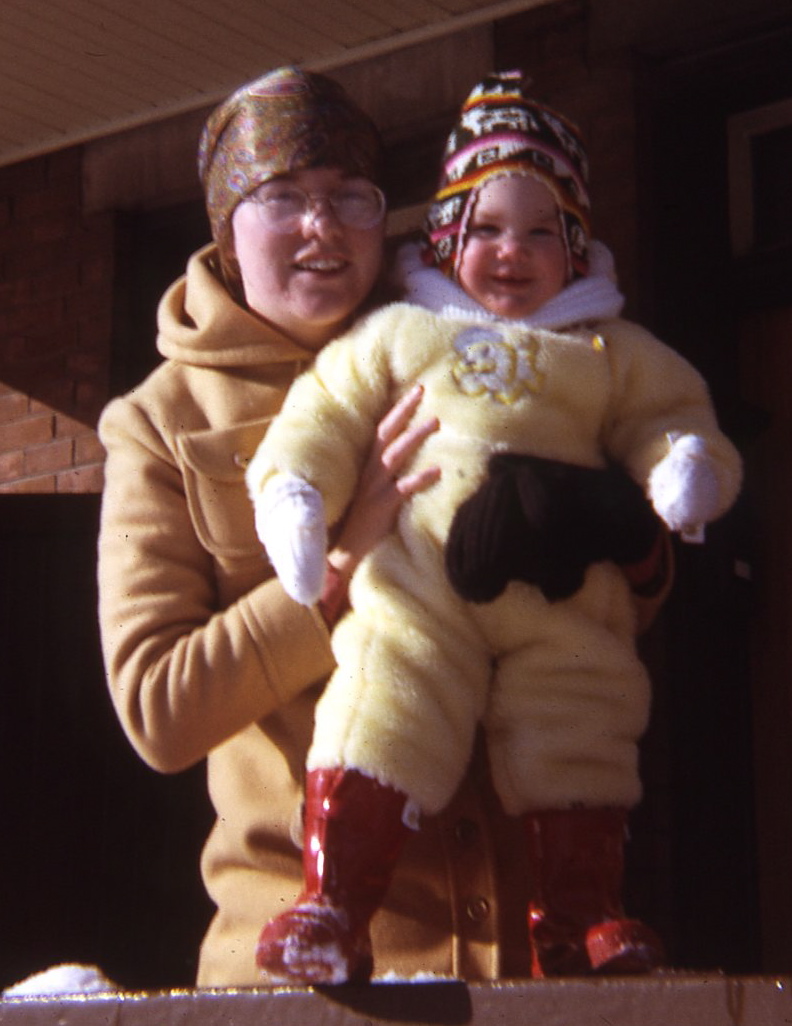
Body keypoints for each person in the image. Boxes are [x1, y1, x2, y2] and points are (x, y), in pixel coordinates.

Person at [246, 70, 743, 984]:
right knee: (381, 698)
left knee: (586, 713)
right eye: (486, 230)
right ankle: (334, 903)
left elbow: (673, 415)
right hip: (418, 591)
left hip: (566, 602)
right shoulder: (401, 332)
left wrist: (680, 471)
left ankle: (580, 920)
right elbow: (323, 413)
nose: (512, 252)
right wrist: (297, 498)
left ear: (575, 246)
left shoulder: (608, 350)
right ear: (446, 236)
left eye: (541, 232)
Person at [96, 66, 531, 989]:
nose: (321, 227)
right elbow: (159, 709)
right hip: (306, 978)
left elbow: (597, 615)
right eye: (283, 197)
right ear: (227, 230)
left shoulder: (461, 348)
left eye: (349, 197)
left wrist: (625, 550)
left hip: (526, 947)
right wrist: (338, 567)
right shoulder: (161, 423)